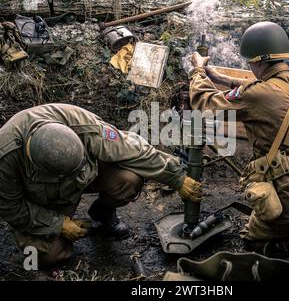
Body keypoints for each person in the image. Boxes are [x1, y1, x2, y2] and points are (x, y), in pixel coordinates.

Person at [189, 21, 289, 255]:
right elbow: (266, 89)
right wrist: (219, 77)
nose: (250, 67)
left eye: (251, 63)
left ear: (258, 61)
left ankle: (287, 245)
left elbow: (205, 102)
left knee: (250, 237)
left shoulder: (257, 95)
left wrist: (198, 71)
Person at [0, 103, 202, 269]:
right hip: (41, 203)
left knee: (129, 180)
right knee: (42, 259)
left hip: (84, 179)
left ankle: (102, 213)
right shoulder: (5, 158)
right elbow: (10, 208)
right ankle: (56, 239)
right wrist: (57, 224)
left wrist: (176, 178)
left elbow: (131, 148)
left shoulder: (78, 123)